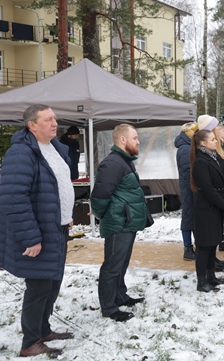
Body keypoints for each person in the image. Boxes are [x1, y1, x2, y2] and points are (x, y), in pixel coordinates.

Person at [0, 105, 74, 358]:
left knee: (51, 284)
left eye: (55, 118)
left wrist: (66, 216)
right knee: (39, 287)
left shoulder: (54, 148)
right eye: (48, 120)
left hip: (57, 229)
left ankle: (43, 330)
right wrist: (31, 238)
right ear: (32, 125)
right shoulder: (21, 153)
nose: (55, 123)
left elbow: (56, 187)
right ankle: (30, 342)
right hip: (38, 233)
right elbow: (13, 198)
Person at [91, 124, 147, 322]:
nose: (138, 142)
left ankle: (119, 295)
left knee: (121, 263)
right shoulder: (113, 164)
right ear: (123, 140)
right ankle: (109, 307)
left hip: (126, 221)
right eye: (135, 138)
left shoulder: (123, 161)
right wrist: (104, 215)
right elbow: (99, 196)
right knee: (112, 266)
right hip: (118, 223)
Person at [190, 130, 224, 292]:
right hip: (206, 209)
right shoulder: (201, 161)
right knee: (204, 246)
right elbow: (207, 188)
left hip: (214, 208)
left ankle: (211, 277)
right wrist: (223, 204)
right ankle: (202, 281)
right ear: (203, 143)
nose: (216, 141)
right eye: (213, 139)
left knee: (212, 244)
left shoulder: (211, 157)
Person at [174, 121, 201, 261]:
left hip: (191, 187)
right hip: (189, 188)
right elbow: (188, 171)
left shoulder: (189, 146)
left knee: (193, 217)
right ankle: (188, 248)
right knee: (188, 217)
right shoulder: (185, 149)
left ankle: (195, 246)